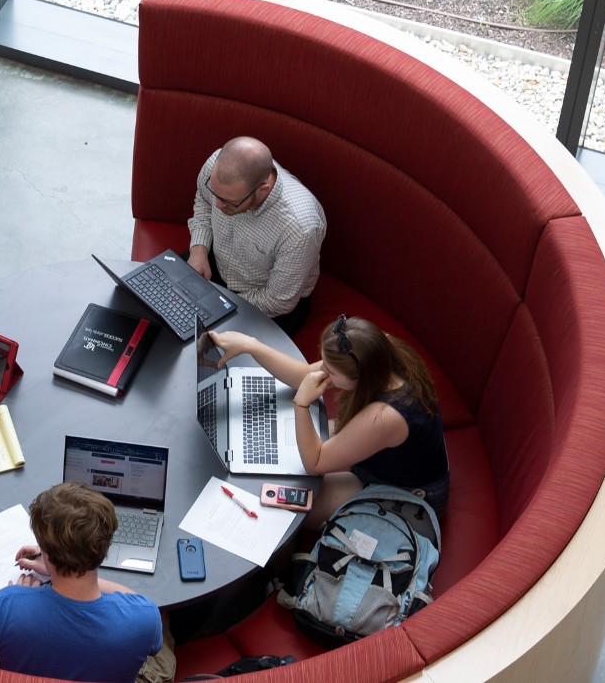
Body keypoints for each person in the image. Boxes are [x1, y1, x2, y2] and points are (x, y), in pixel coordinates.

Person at [210, 315, 449, 526]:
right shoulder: (378, 350)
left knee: (280, 504)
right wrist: (251, 346)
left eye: (331, 372)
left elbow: (315, 462)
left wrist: (301, 404)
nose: (322, 371)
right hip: (383, 457)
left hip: (407, 495)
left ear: (361, 377)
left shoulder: (385, 416)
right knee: (283, 461)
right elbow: (304, 375)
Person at [0, 483, 175, 683]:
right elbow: (135, 600)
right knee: (163, 628)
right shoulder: (143, 616)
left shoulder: (4, 606)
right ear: (106, 547)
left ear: (45, 551)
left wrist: (18, 600)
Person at [187, 136, 326, 336]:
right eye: (215, 193)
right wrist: (199, 249)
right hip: (215, 267)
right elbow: (203, 200)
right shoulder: (217, 165)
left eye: (229, 202)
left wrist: (217, 306)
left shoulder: (300, 228)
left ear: (263, 190)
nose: (218, 204)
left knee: (209, 354)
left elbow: (278, 301)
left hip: (266, 305)